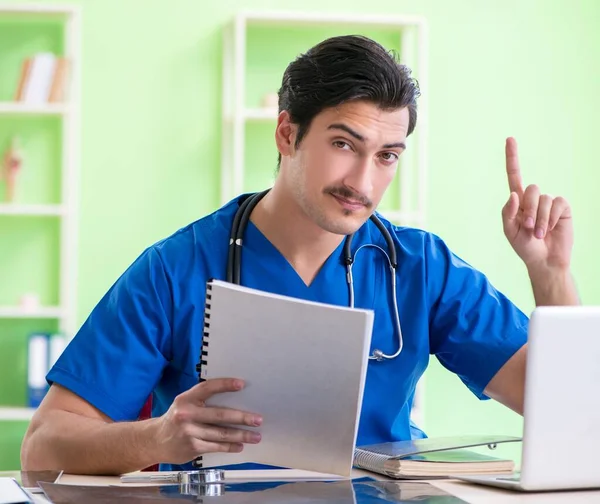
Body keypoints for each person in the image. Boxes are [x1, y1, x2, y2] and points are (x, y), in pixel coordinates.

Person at [21, 35, 578, 475]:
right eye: (344, 145)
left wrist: (551, 275)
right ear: (287, 134)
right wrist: (159, 436)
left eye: (387, 156)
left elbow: (572, 414)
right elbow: (44, 448)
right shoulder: (176, 268)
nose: (364, 181)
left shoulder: (421, 269)